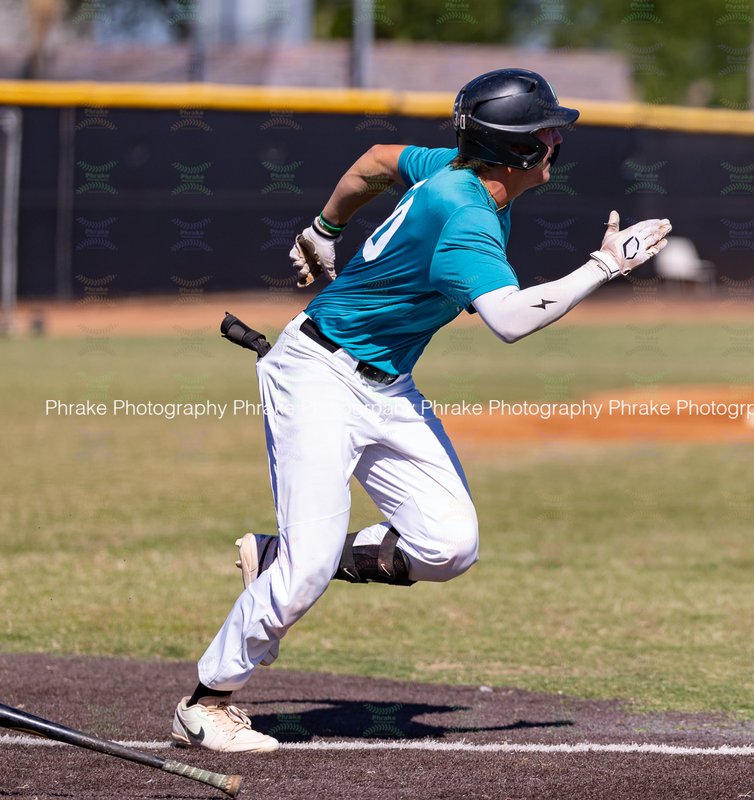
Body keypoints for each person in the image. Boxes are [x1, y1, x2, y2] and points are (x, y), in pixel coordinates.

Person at [169, 68, 672, 752]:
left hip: (385, 384)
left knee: (449, 545)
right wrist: (605, 267)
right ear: (519, 151)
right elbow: (510, 320)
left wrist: (325, 226)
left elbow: (378, 161)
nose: (557, 140)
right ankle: (206, 702)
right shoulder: (466, 212)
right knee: (309, 567)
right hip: (316, 377)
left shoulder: (460, 172)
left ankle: (278, 557)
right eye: (546, 132)